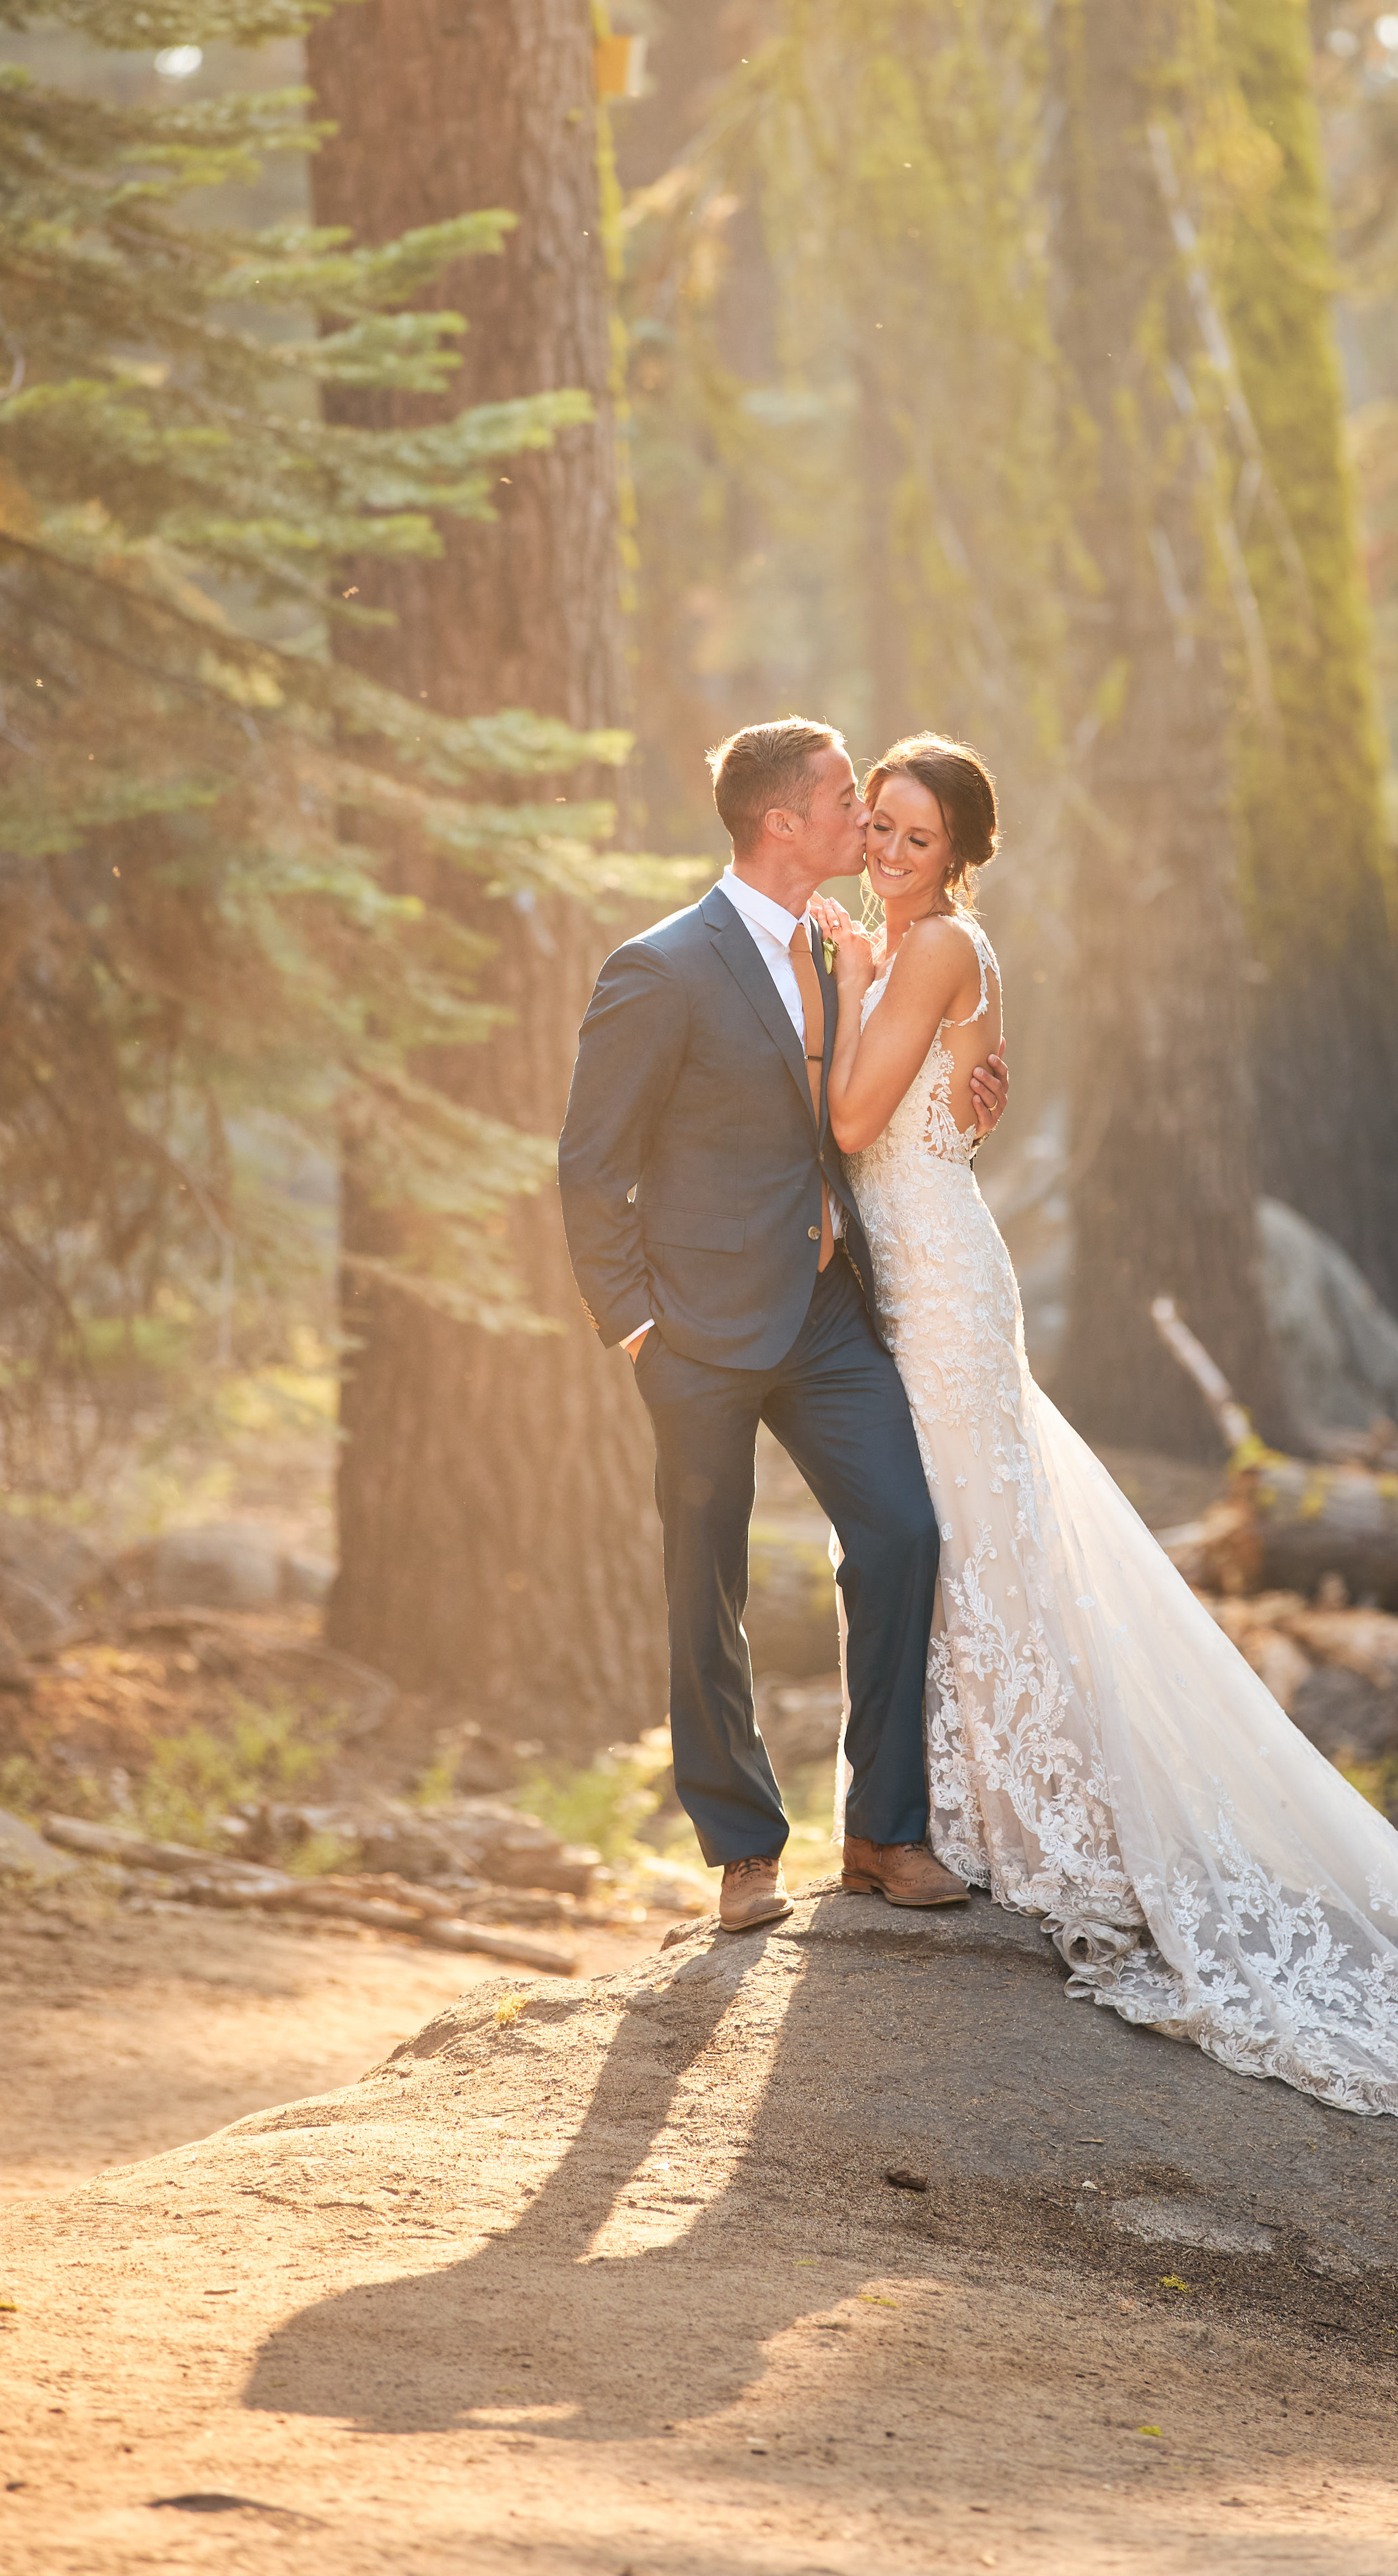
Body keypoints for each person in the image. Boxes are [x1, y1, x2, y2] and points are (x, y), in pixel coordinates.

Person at [816, 728, 1398, 2193]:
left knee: (973, 1534)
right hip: (931, 1262)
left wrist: (843, 993)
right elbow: (946, 1100)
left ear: (959, 854)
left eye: (912, 837)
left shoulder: (920, 954)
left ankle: (1014, 1824)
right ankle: (956, 1810)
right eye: (874, 824)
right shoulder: (929, 945)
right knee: (970, 1531)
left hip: (936, 1278)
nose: (883, 849)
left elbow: (857, 1116)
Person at [558, 718, 1003, 1935]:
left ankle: (882, 1833)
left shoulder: (837, 944)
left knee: (903, 1535)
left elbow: (877, 1099)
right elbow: (590, 1167)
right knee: (706, 1583)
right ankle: (744, 1855)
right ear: (781, 824)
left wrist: (968, 1095)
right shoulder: (659, 966)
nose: (863, 821)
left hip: (823, 1310)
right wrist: (634, 1326)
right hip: (693, 1329)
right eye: (839, 800)